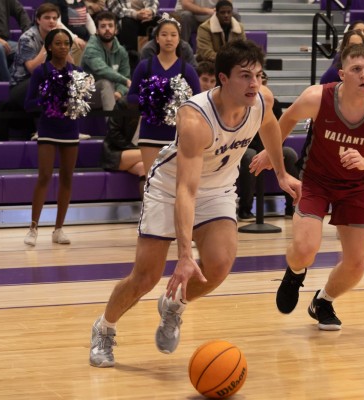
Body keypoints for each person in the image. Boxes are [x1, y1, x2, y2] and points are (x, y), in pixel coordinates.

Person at [88, 39, 301, 368]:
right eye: (245, 76)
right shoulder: (195, 119)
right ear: (223, 78)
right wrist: (185, 255)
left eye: (258, 75)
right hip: (171, 188)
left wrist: (282, 173)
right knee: (146, 276)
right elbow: (186, 190)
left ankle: (173, 305)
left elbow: (270, 126)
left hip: (216, 188)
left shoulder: (261, 100)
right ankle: (105, 327)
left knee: (218, 265)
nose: (254, 83)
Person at [251, 44, 364, 330]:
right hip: (316, 181)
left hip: (356, 186)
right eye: (356, 69)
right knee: (304, 248)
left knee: (357, 264)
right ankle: (295, 273)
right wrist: (270, 152)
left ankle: (322, 301)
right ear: (342, 74)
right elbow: (284, 120)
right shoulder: (317, 97)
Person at [23, 29, 84, 246]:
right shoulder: (41, 72)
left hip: (70, 129)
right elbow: (28, 104)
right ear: (49, 47)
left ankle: (59, 229)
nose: (63, 47)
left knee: (67, 177)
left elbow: (82, 105)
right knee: (45, 176)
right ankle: (33, 228)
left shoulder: (77, 72)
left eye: (66, 43)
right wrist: (47, 98)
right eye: (58, 43)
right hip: (48, 129)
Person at [127, 14, 201, 176]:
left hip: (178, 135)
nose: (169, 39)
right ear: (157, 39)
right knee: (151, 182)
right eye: (164, 34)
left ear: (179, 39)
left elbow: (199, 102)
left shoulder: (187, 70)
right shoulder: (144, 66)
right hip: (149, 133)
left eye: (173, 35)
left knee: (176, 184)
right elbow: (130, 97)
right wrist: (149, 100)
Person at [0, 3, 62, 141]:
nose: (52, 21)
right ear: (38, 20)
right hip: (20, 87)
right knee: (44, 78)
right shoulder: (27, 38)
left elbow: (69, 65)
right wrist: (47, 45)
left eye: (54, 18)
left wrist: (64, 42)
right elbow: (33, 69)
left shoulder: (59, 37)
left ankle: (69, 129)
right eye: (47, 17)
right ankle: (42, 130)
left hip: (45, 83)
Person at [237, 71, 299, 221]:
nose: (258, 83)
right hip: (244, 147)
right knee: (249, 155)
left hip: (266, 147)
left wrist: (268, 152)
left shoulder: (271, 103)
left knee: (289, 154)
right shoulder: (239, 102)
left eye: (261, 78)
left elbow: (276, 132)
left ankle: (292, 208)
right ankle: (245, 209)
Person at [81, 11, 132, 112]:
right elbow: (102, 70)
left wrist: (119, 92)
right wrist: (125, 81)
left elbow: (125, 75)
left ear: (116, 30)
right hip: (88, 95)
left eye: (110, 26)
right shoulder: (91, 48)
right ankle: (110, 125)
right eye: (103, 26)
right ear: (97, 30)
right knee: (105, 83)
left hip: (112, 93)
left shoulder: (121, 51)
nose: (107, 29)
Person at [101, 98, 146, 197]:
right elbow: (114, 133)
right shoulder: (123, 104)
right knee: (153, 154)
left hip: (138, 155)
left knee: (144, 168)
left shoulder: (157, 107)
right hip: (117, 151)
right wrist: (134, 150)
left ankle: (147, 209)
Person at [46, 0, 96, 65]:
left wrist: (95, 36)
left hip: (85, 37)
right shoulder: (56, 2)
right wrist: (74, 38)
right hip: (68, 39)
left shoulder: (80, 2)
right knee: (78, 46)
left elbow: (88, 20)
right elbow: (58, 23)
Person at [173, 0, 241, 44]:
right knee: (185, 16)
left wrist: (217, 11)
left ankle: (236, 50)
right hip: (192, 18)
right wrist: (208, 11)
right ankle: (181, 49)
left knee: (234, 15)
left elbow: (227, 3)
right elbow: (186, 5)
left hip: (212, 17)